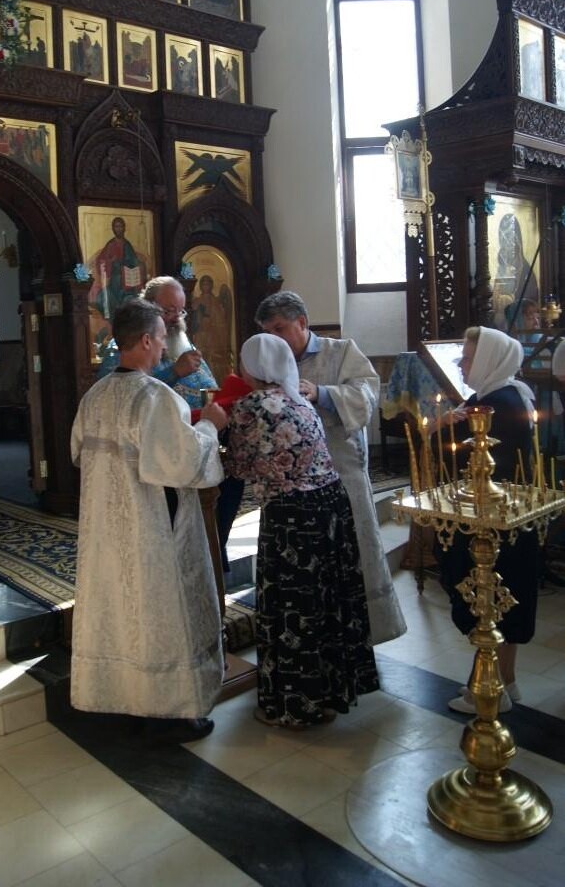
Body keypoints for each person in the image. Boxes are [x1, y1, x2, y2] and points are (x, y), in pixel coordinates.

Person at [70, 298, 228, 742]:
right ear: (144, 339)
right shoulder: (157, 397)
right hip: (151, 529)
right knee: (161, 611)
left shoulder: (96, 395)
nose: (164, 348)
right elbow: (183, 465)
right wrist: (212, 425)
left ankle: (121, 700)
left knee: (119, 612)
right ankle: (171, 711)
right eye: (160, 339)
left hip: (105, 530)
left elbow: (78, 451)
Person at [224, 334, 379, 728]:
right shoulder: (299, 398)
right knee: (325, 601)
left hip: (292, 517)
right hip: (331, 508)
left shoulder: (250, 407)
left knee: (292, 609)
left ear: (252, 368)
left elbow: (238, 468)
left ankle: (295, 706)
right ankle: (330, 694)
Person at [255, 291, 406, 646]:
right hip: (294, 484)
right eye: (267, 331)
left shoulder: (340, 352)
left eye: (279, 328)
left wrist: (322, 393)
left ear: (302, 323)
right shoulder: (268, 364)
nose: (273, 338)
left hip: (342, 469)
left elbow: (368, 395)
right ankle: (320, 637)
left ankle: (362, 633)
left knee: (354, 550)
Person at [99, 276, 243, 568]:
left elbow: (207, 387)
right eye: (168, 311)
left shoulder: (184, 342)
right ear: (148, 309)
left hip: (194, 437)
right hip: (159, 451)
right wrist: (174, 372)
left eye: (181, 310)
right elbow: (119, 392)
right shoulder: (120, 348)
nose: (176, 318)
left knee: (233, 474)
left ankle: (215, 546)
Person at [431, 326, 539, 713]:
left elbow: (463, 461)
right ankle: (505, 681)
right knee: (499, 599)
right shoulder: (498, 395)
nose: (461, 362)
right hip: (500, 517)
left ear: (491, 359)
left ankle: (488, 687)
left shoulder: (499, 404)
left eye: (469, 355)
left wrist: (440, 429)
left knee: (489, 599)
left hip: (491, 521)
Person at [89, 216, 145, 324]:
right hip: (115, 278)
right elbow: (101, 260)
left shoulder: (127, 245)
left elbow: (133, 261)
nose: (118, 229)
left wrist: (136, 264)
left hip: (128, 277)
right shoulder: (110, 244)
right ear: (113, 229)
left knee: (130, 297)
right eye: (116, 226)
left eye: (120, 226)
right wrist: (111, 261)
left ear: (124, 228)